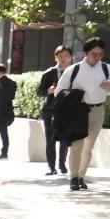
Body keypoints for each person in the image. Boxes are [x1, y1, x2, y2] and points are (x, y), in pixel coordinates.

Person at [55, 37, 110, 192]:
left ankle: (81, 176)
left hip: (98, 109)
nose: (97, 57)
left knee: (88, 147)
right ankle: (73, 177)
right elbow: (59, 91)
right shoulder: (73, 70)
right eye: (94, 54)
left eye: (100, 54)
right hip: (78, 111)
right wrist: (74, 97)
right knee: (77, 145)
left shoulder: (107, 69)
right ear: (85, 53)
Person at [38, 46, 74, 176]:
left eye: (66, 56)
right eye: (60, 56)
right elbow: (40, 92)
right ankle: (51, 167)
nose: (63, 59)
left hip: (67, 110)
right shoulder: (48, 73)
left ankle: (62, 164)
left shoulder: (74, 73)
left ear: (71, 58)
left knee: (65, 138)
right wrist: (49, 90)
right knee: (50, 139)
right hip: (50, 110)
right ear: (55, 57)